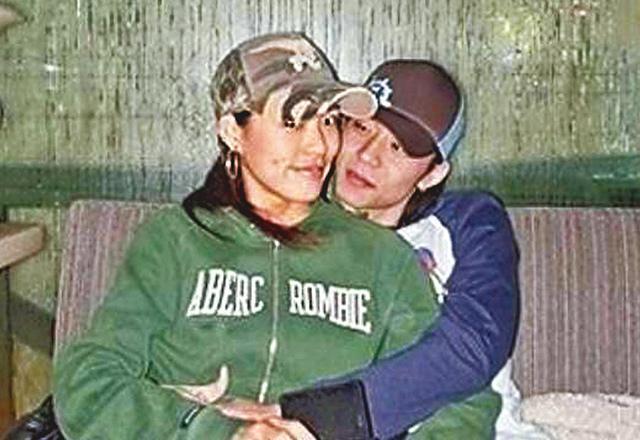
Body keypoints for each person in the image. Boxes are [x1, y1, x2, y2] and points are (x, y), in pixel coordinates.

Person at [52, 33, 445, 439]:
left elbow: (451, 395)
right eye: (293, 121)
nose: (319, 145)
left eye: (328, 121)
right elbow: (87, 382)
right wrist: (219, 432)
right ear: (232, 131)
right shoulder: (175, 240)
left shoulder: (382, 258)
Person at [276, 60, 550, 439]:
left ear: (433, 174)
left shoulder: (469, 223)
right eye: (361, 127)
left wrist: (316, 416)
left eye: (397, 146)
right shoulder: (292, 222)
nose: (367, 155)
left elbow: (473, 346)